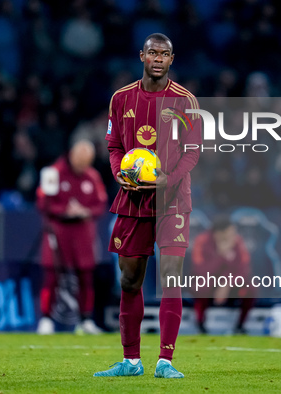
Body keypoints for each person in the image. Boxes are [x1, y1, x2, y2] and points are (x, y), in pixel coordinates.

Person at [93, 33, 201, 379]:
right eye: (152, 52)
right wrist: (118, 174)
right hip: (133, 199)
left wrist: (169, 179)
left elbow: (193, 151)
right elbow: (113, 146)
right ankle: (131, 361)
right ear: (142, 56)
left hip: (172, 200)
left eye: (164, 54)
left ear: (172, 59)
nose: (158, 58)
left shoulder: (186, 101)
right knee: (129, 281)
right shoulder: (121, 99)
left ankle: (166, 361)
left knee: (171, 278)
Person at [35, 140, 108, 335]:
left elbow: (101, 204)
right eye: (80, 161)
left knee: (85, 277)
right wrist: (64, 210)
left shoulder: (92, 177)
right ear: (72, 155)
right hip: (58, 231)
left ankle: (85, 320)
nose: (82, 166)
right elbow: (43, 203)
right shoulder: (54, 173)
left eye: (87, 162)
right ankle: (46, 319)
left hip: (83, 234)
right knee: (52, 276)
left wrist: (85, 211)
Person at [191, 216, 253, 334]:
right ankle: (200, 324)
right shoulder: (202, 241)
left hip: (231, 284)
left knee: (250, 288)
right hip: (208, 282)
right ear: (219, 233)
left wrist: (227, 284)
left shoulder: (237, 241)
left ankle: (240, 326)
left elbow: (244, 270)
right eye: (230, 233)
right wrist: (220, 255)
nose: (232, 236)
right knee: (201, 286)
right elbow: (201, 271)